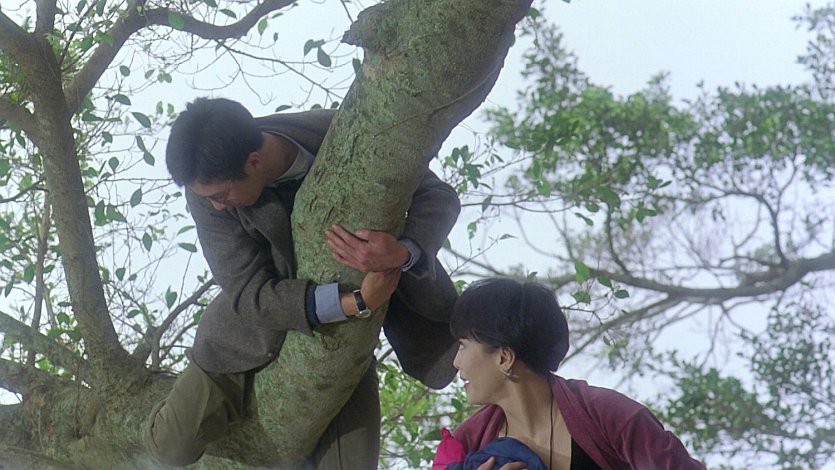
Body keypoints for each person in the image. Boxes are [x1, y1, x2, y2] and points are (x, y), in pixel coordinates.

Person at [147, 97, 461, 468]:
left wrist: (403, 252)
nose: (217, 206)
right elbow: (247, 294)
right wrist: (356, 301)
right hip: (249, 333)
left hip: (342, 341)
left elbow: (438, 195)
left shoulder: (343, 130)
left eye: (222, 195)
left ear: (253, 161)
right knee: (170, 447)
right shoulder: (205, 192)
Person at [433, 278, 705, 470]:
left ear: (504, 357)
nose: (457, 362)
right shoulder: (466, 442)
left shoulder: (608, 415)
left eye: (463, 346)